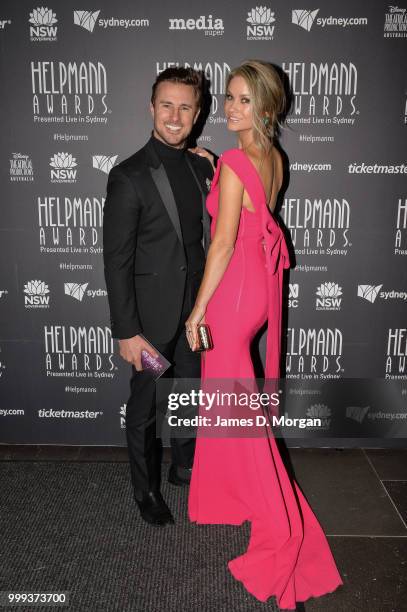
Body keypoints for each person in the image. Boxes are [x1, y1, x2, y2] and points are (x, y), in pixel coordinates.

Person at [185, 60, 343, 610]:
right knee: (231, 398)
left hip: (231, 294)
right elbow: (253, 204)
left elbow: (223, 243)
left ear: (267, 107)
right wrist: (218, 167)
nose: (230, 108)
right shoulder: (272, 157)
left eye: (244, 100)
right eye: (229, 98)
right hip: (259, 291)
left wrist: (198, 309)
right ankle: (226, 496)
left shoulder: (235, 160)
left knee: (235, 405)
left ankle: (270, 507)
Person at [103, 67, 213, 527]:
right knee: (146, 404)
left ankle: (184, 467)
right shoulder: (128, 175)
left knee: (189, 392)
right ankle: (145, 490)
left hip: (194, 317)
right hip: (149, 325)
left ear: (198, 112)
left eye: (185, 106)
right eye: (166, 105)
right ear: (151, 107)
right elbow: (116, 261)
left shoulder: (201, 165)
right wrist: (127, 331)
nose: (174, 115)